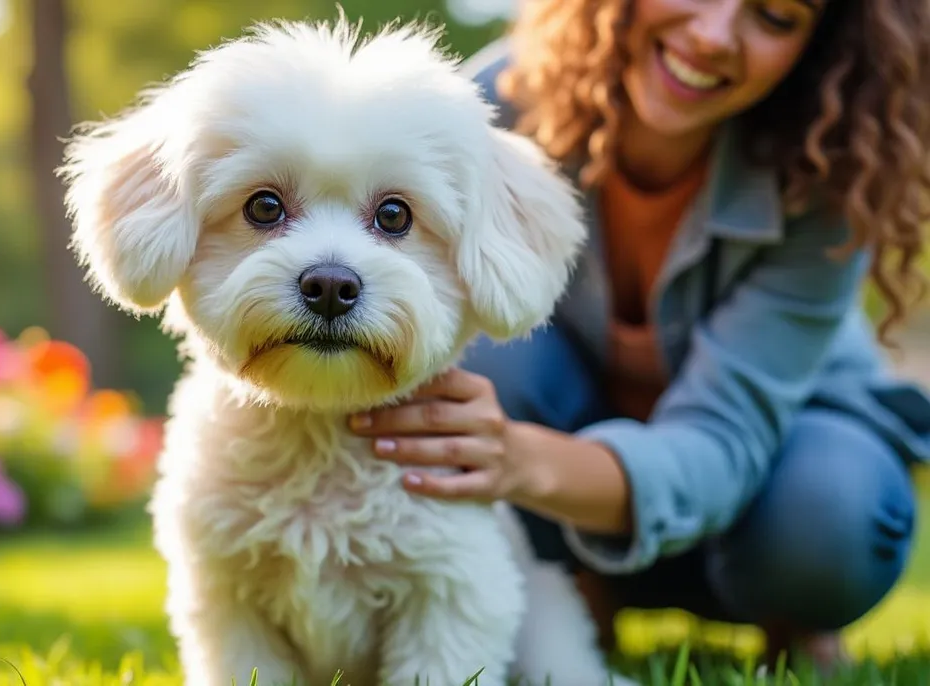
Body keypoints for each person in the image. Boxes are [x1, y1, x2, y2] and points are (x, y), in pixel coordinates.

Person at [347, 0, 930, 671]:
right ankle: (571, 587)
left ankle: (787, 614)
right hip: (565, 471)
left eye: (773, 15)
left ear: (819, 47)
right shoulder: (485, 113)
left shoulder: (830, 173)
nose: (714, 36)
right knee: (487, 355)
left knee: (832, 511)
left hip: (763, 485)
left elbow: (724, 438)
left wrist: (518, 458)